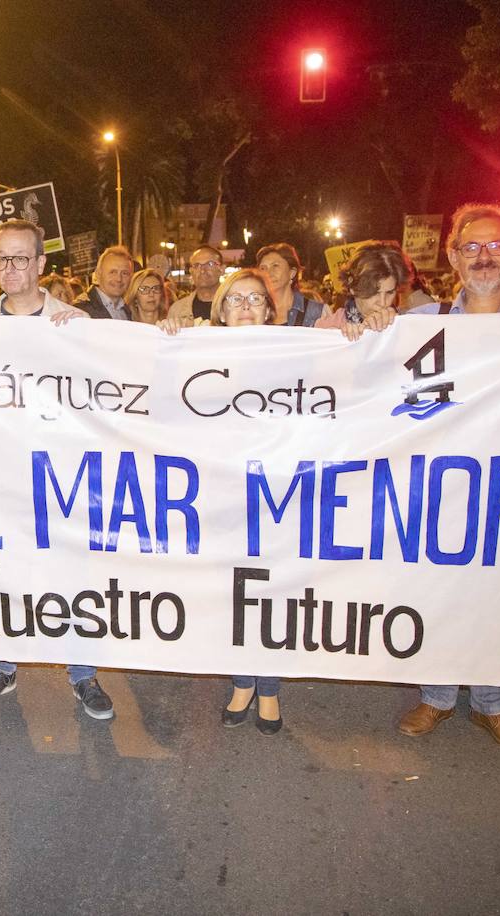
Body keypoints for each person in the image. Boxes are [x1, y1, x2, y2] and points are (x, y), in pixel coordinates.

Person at [0, 218, 114, 720]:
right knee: (3, 574)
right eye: (1, 258)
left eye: (20, 257)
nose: (9, 268)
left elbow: (111, 389)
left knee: (71, 572)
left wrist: (86, 348)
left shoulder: (73, 323)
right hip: (0, 476)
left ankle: (83, 674)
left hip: (61, 475)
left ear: (42, 264)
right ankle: (2, 666)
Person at [399, 202, 500, 753]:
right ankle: (436, 696)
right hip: (441, 485)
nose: (484, 257)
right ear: (454, 256)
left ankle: (491, 704)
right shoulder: (421, 325)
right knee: (441, 590)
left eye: (496, 246)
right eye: (472, 247)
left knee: (498, 594)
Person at [198, 268, 286, 732]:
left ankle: (268, 688)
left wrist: (358, 330)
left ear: (270, 310)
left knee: (269, 591)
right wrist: (170, 339)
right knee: (235, 594)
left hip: (278, 493)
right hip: (222, 496)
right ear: (221, 313)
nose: (246, 305)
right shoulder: (198, 355)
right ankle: (242, 682)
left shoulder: (298, 355)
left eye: (255, 297)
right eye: (235, 300)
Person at [315, 242, 408, 340]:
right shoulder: (325, 329)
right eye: (373, 293)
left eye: (390, 292)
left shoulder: (405, 325)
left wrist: (399, 329)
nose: (383, 302)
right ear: (352, 288)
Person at [256, 243, 327, 326]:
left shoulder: (316, 312)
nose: (268, 273)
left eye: (275, 266)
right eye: (263, 268)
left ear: (292, 273)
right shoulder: (254, 311)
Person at [73, 246, 135, 319]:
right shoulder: (80, 310)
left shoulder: (128, 311)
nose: (119, 279)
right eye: (113, 272)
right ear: (98, 274)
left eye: (124, 273)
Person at [167, 245, 224, 322]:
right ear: (191, 271)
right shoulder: (177, 311)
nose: (203, 270)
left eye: (209, 264)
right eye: (197, 265)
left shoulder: (237, 306)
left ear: (222, 269)